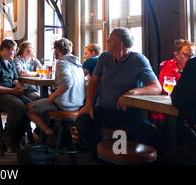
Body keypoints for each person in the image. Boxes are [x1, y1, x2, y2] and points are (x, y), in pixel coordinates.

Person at [75, 27, 164, 160]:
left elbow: (156, 87)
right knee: (82, 120)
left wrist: (131, 93)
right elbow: (94, 81)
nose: (106, 41)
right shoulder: (104, 57)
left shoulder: (138, 60)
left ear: (119, 44)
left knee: (150, 133)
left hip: (128, 114)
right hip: (103, 111)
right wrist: (88, 105)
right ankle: (99, 158)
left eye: (110, 39)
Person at [27, 38, 86, 135]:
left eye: (54, 49)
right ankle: (51, 134)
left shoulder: (62, 63)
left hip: (65, 105)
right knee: (43, 103)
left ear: (58, 49)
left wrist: (53, 95)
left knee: (29, 107)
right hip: (78, 104)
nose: (54, 51)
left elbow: (67, 82)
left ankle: (48, 133)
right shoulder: (77, 64)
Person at [152, 39, 195, 121]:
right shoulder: (167, 67)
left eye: (192, 56)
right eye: (187, 55)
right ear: (176, 55)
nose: (190, 59)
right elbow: (163, 90)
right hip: (169, 111)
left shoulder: (193, 69)